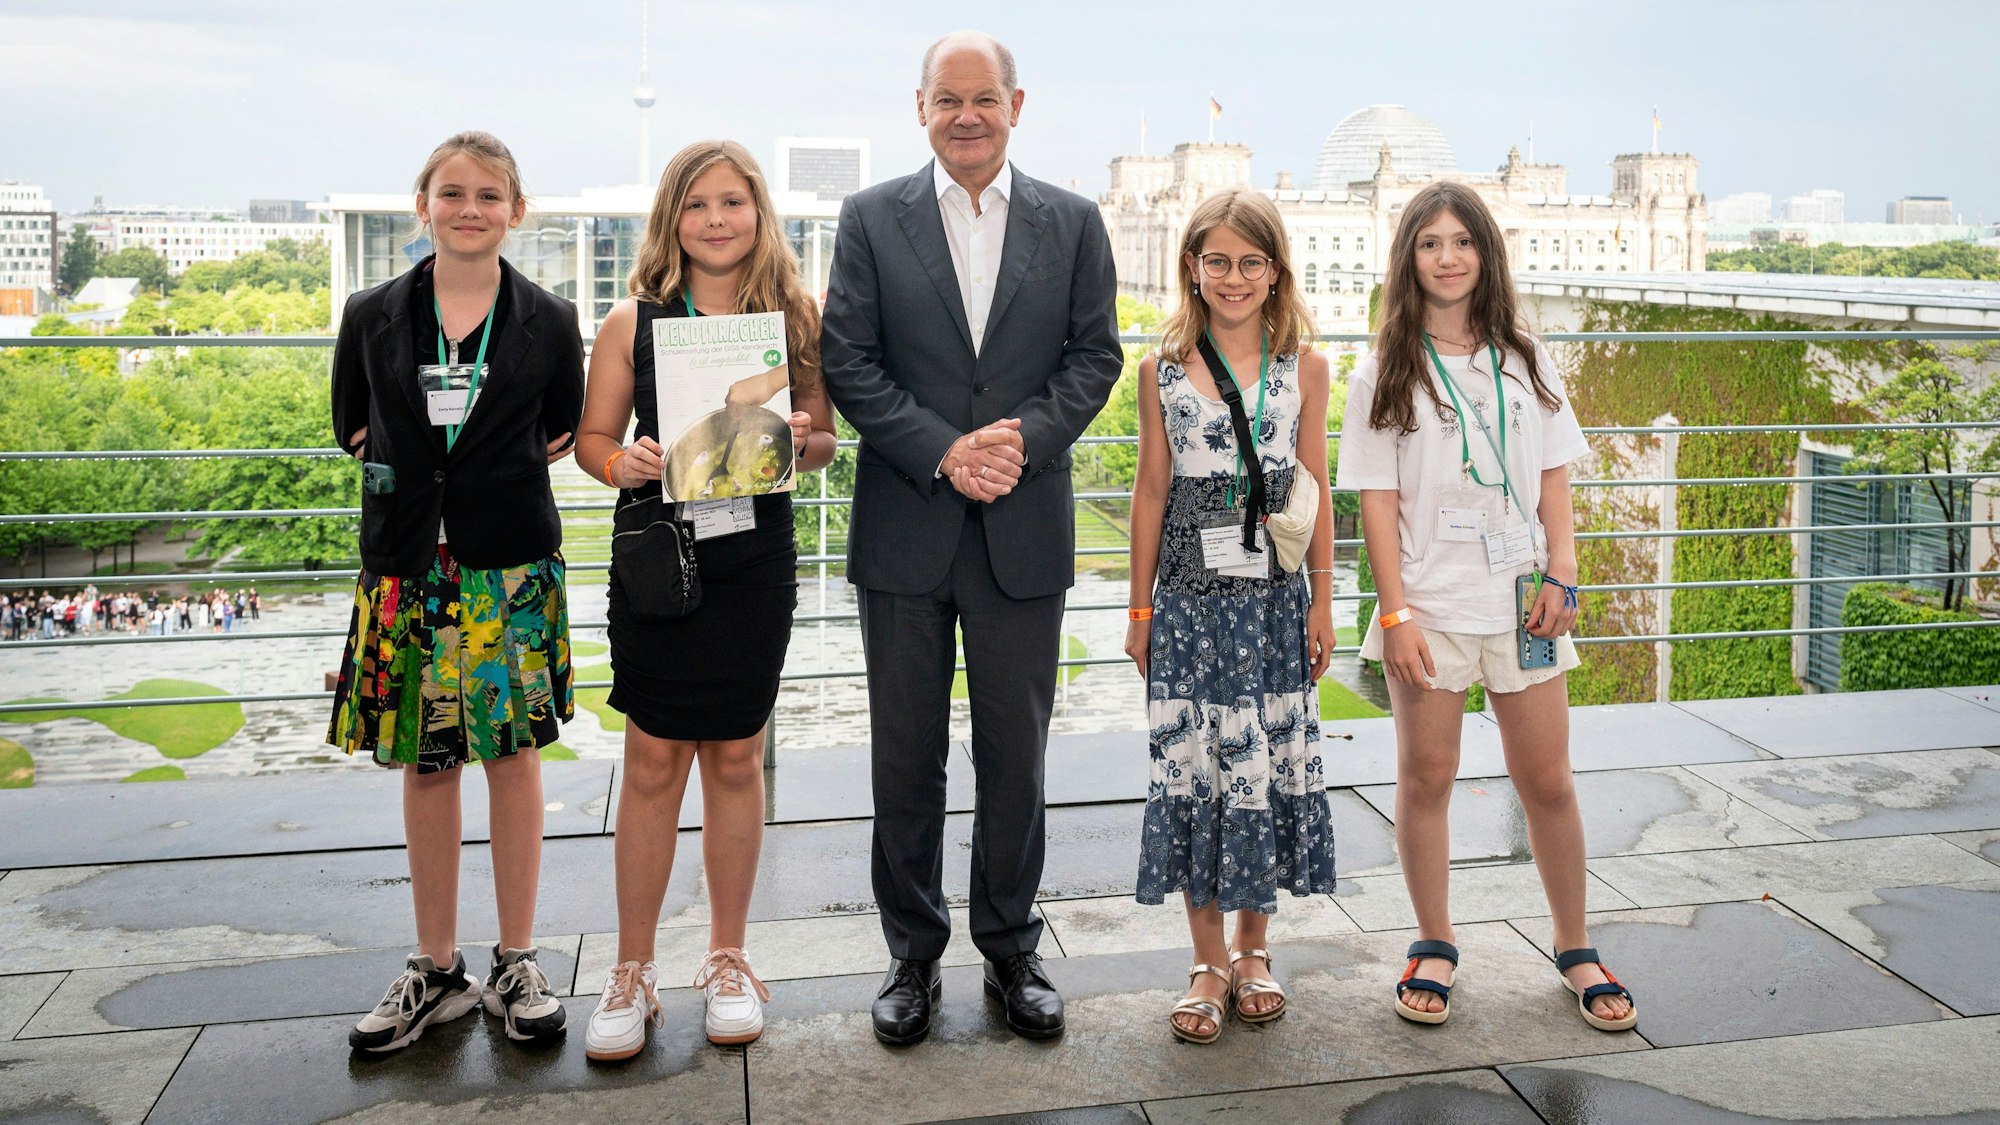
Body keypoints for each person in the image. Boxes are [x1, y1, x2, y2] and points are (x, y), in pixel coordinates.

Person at [821, 30, 1122, 1046]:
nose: (965, 115)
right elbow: (848, 362)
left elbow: (1094, 358)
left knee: (1014, 755)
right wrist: (944, 452)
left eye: (981, 97)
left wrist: (1019, 443)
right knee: (903, 758)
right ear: (919, 109)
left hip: (1021, 528)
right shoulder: (869, 218)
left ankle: (1009, 947)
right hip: (906, 526)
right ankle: (911, 956)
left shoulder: (1074, 222)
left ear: (1015, 104)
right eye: (945, 98)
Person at [1335, 181, 1637, 1032]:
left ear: (1485, 252)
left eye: (1462, 240)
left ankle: (1575, 945)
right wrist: (1393, 614)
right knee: (1426, 776)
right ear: (1409, 258)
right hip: (1429, 607)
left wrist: (1564, 570)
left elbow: (1552, 472)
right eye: (1430, 242)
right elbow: (1378, 505)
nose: (1448, 257)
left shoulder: (1526, 356)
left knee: (1547, 778)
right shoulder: (1381, 369)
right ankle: (1434, 941)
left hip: (1524, 604)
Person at [575, 140, 836, 1059]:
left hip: (752, 560)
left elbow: (823, 448)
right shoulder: (630, 321)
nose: (716, 220)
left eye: (733, 202)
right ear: (670, 218)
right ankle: (631, 969)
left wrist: (801, 433)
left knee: (735, 758)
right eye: (697, 204)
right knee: (650, 760)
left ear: (760, 214)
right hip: (660, 555)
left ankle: (728, 957)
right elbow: (591, 439)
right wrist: (623, 461)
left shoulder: (792, 317)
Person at [327, 130, 584, 1053]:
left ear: (517, 210)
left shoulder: (550, 319)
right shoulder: (370, 312)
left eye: (488, 194)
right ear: (422, 205)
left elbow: (561, 428)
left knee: (514, 760)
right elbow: (352, 424)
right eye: (451, 192)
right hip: (409, 568)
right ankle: (436, 969)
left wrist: (475, 484)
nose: (469, 208)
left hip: (509, 567)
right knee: (428, 764)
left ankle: (516, 958)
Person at [1123, 190, 1338, 1043]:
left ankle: (1255, 950)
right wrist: (1139, 606)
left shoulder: (1308, 368)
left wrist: (1325, 599)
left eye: (1252, 262)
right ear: (1193, 268)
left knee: (1263, 762)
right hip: (1189, 603)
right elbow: (1149, 489)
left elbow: (1317, 490)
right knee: (1197, 769)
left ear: (1276, 271)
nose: (1235, 277)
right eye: (1218, 261)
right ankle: (1206, 960)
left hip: (1272, 603)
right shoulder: (1161, 371)